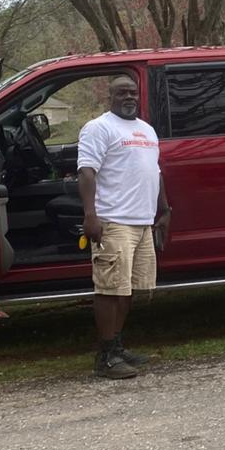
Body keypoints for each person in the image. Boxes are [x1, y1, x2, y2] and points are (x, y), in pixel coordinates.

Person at [75, 74, 170, 379]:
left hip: (142, 222)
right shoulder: (98, 128)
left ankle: (116, 348)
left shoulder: (146, 130)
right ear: (110, 97)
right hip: (112, 221)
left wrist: (164, 209)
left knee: (127, 289)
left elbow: (155, 172)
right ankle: (104, 358)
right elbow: (86, 172)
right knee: (109, 289)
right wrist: (91, 215)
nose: (128, 97)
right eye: (121, 93)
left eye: (132, 93)